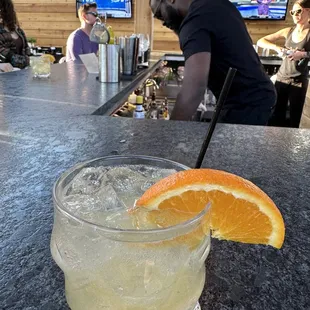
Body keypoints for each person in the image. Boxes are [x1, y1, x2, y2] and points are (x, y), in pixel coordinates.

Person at [149, 0, 276, 125]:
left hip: (245, 103)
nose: (163, 23)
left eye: (159, 13)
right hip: (257, 96)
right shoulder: (216, 4)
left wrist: (169, 134)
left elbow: (194, 89)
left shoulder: (194, 22)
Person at [257, 0, 310, 128]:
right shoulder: (288, 31)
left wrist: (303, 54)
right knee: (276, 115)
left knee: (295, 118)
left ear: (308, 11)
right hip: (281, 78)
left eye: (299, 11)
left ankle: (290, 146)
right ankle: (275, 145)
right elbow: (260, 41)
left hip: (299, 81)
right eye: (293, 12)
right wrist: (278, 48)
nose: (295, 15)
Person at [0, 0, 30, 69]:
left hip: (23, 73)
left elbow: (27, 51)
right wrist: (31, 61)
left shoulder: (19, 31)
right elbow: (10, 58)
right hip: (5, 76)